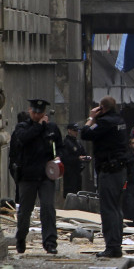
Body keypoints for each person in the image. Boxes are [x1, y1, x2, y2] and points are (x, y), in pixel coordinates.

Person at [13, 99, 63, 255]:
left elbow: (60, 146)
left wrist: (58, 161)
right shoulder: (22, 127)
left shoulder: (52, 128)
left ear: (44, 113)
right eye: (34, 112)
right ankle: (21, 238)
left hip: (45, 176)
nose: (36, 115)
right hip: (27, 176)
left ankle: (50, 242)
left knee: (48, 208)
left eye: (39, 113)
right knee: (25, 211)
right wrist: (39, 126)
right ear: (30, 111)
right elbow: (24, 138)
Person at [80, 96, 128, 258]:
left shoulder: (105, 122)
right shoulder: (120, 120)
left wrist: (91, 117)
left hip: (109, 170)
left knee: (108, 209)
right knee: (116, 209)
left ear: (102, 108)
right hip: (120, 170)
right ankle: (116, 245)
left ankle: (112, 247)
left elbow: (85, 133)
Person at [60, 122, 90, 197]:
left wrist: (86, 157)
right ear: (69, 130)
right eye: (74, 130)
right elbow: (65, 158)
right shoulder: (66, 142)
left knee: (78, 192)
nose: (76, 132)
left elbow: (83, 152)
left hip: (78, 171)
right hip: (69, 172)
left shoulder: (77, 142)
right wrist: (77, 158)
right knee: (70, 193)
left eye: (77, 131)